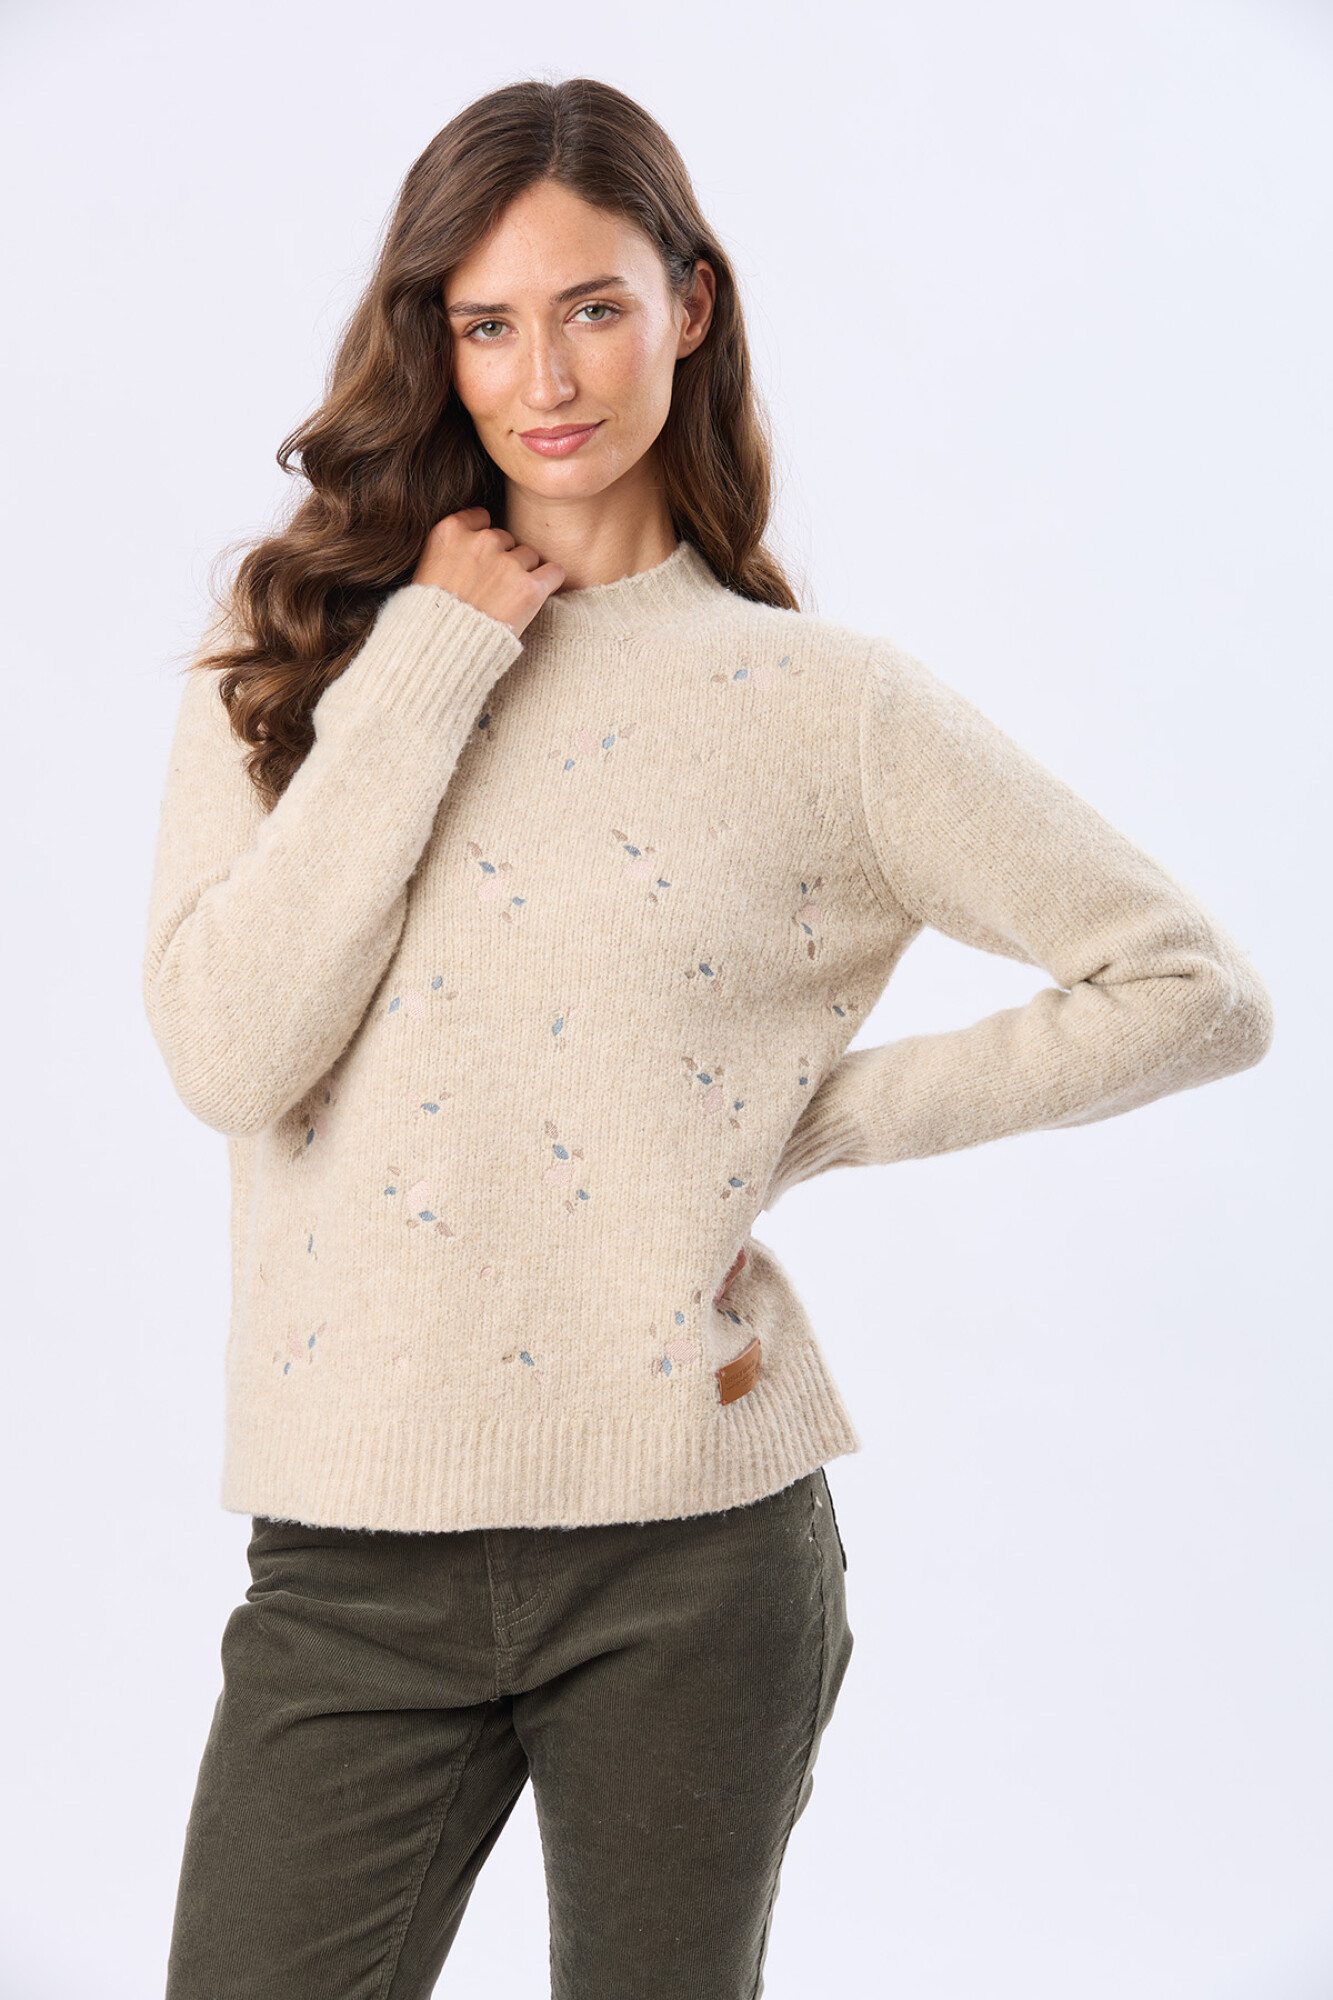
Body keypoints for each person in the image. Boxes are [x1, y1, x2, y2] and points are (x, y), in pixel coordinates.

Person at [142, 74, 1275, 2000]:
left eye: (592, 306)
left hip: (693, 1548)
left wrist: (812, 1121)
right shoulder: (302, 649)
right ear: (434, 343)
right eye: (486, 324)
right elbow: (230, 1057)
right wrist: (432, 658)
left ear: (688, 303)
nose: (543, 377)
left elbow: (1192, 990)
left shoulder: (819, 705)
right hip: (348, 1556)